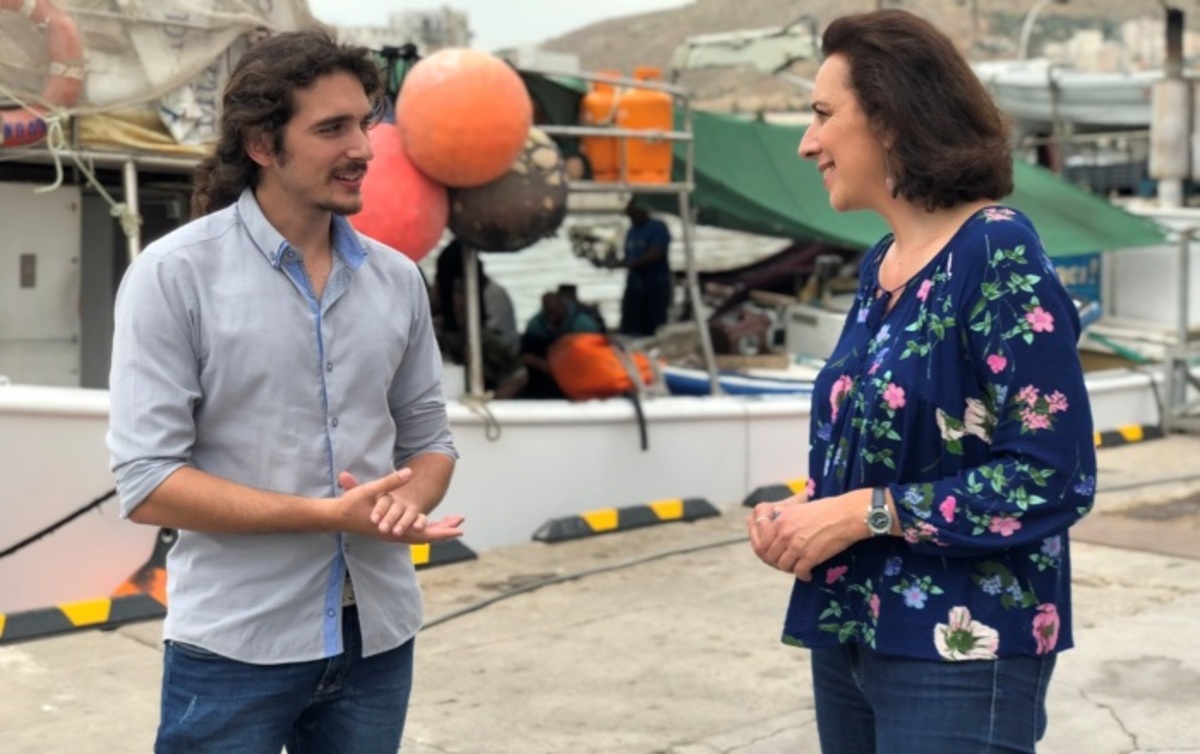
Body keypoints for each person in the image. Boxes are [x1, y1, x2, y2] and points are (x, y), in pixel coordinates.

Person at [746, 10, 1096, 753]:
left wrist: (860, 514)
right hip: (851, 628)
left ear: (891, 121)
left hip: (960, 647)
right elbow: (907, 453)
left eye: (822, 115)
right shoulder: (881, 264)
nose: (807, 142)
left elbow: (1053, 477)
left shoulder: (996, 250)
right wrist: (810, 515)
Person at [106, 30, 462, 754]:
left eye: (364, 123)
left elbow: (430, 441)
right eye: (332, 129)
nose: (362, 149)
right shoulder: (174, 275)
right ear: (262, 145)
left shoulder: (397, 280)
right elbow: (147, 483)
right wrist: (327, 516)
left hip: (379, 638)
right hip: (235, 647)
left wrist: (404, 506)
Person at [518, 290, 602, 398]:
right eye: (549, 313)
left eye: (555, 312)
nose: (552, 317)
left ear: (562, 306)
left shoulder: (584, 324)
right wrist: (543, 365)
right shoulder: (536, 325)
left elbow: (599, 353)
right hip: (548, 372)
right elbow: (525, 355)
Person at [617, 198, 672, 336]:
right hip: (635, 284)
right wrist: (616, 263)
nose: (632, 218)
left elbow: (656, 252)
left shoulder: (657, 227)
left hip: (655, 284)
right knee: (631, 324)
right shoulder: (631, 231)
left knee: (654, 324)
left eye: (633, 214)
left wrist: (633, 263)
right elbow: (628, 256)